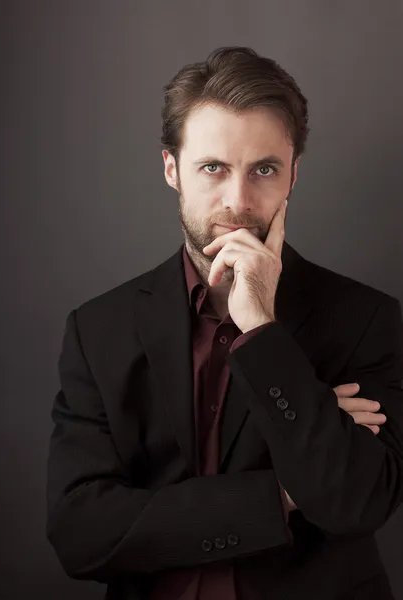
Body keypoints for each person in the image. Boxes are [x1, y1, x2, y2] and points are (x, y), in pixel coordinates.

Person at [46, 46, 403, 600]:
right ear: (172, 170)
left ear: (293, 176)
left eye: (264, 169)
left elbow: (356, 501)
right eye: (213, 167)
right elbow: (79, 535)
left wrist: (261, 326)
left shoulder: (366, 318)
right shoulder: (98, 330)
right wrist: (280, 496)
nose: (238, 202)